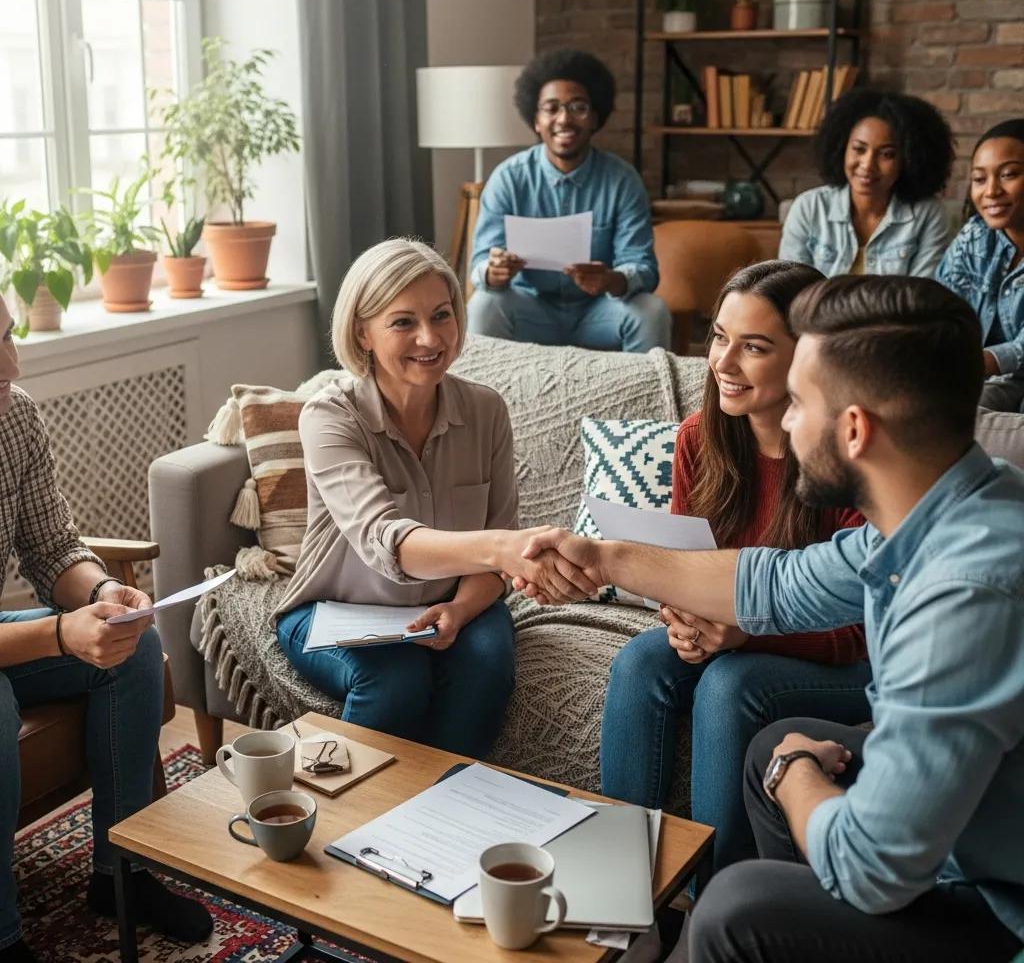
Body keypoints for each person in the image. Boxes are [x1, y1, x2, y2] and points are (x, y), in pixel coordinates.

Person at [514, 275, 1024, 962]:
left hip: (999, 905)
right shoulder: (948, 506)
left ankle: (712, 929)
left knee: (735, 903)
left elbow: (868, 869)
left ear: (853, 430)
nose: (785, 421)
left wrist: (797, 774)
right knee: (764, 749)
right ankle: (630, 905)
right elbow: (775, 582)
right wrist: (603, 557)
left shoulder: (963, 597)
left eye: (800, 403)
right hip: (977, 841)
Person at [273, 238, 596, 760]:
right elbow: (387, 542)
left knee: (488, 661)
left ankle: (444, 810)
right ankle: (347, 821)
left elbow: (495, 559)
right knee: (396, 679)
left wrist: (462, 608)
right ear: (363, 331)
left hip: (453, 596)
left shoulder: (487, 411)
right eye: (402, 322)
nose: (429, 337)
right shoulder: (329, 417)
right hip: (335, 610)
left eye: (441, 315)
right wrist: (499, 548)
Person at [600, 261, 869, 872]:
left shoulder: (848, 457)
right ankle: (617, 883)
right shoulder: (701, 437)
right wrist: (683, 618)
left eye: (753, 346)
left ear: (807, 356)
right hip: (735, 633)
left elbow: (862, 626)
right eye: (720, 337)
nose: (723, 361)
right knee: (641, 658)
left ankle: (712, 903)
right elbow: (680, 561)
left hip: (848, 657)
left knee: (731, 682)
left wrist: (746, 631)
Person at [0, 298, 212, 963]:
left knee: (135, 645)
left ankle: (121, 872)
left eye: (6, 334)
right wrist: (62, 636)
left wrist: (99, 592)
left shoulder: (13, 414)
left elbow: (52, 545)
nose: (11, 363)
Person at [466, 48, 671, 352]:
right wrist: (494, 272)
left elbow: (643, 267)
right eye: (551, 108)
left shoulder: (623, 181)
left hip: (599, 311)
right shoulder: (508, 178)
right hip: (530, 309)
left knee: (652, 311)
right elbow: (479, 264)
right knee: (484, 304)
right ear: (536, 120)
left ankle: (647, 400)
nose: (564, 118)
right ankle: (484, 401)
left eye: (578, 107)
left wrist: (611, 279)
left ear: (594, 119)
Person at [780, 88, 954, 277]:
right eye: (859, 149)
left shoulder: (927, 214)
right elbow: (791, 290)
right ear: (841, 148)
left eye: (886, 154)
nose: (868, 165)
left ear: (909, 158)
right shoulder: (809, 208)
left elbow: (923, 295)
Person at [936, 118, 1024, 413]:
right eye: (979, 178)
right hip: (981, 373)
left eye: (1008, 174)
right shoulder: (976, 236)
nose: (991, 190)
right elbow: (940, 308)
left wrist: (973, 362)